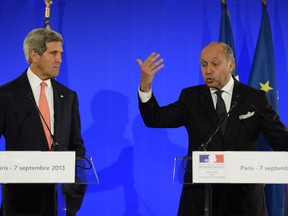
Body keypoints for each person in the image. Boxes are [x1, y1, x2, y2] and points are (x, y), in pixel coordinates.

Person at [137, 42, 288, 216]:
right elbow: (155, 118)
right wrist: (145, 86)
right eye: (203, 64)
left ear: (231, 65)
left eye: (215, 64)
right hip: (201, 197)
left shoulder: (254, 98)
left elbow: (281, 140)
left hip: (243, 199)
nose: (208, 70)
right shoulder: (191, 98)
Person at [0, 28, 87, 216]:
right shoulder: (6, 95)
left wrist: (73, 191)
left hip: (59, 200)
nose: (60, 59)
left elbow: (76, 146)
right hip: (20, 201)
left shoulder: (68, 96)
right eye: (53, 53)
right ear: (34, 55)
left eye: (61, 54)